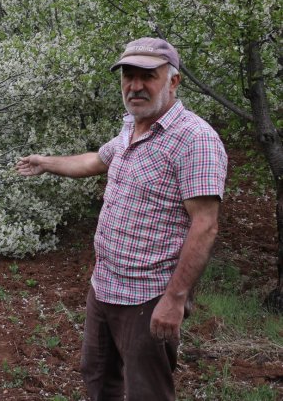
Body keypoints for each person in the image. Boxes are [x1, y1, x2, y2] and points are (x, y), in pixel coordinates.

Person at [15, 37, 227, 400]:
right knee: (98, 378)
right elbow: (96, 160)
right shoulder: (132, 126)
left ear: (173, 81)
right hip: (105, 286)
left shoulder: (196, 140)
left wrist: (175, 299)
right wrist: (45, 162)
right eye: (129, 76)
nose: (135, 86)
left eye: (148, 76)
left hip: (148, 295)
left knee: (147, 392)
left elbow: (205, 225)